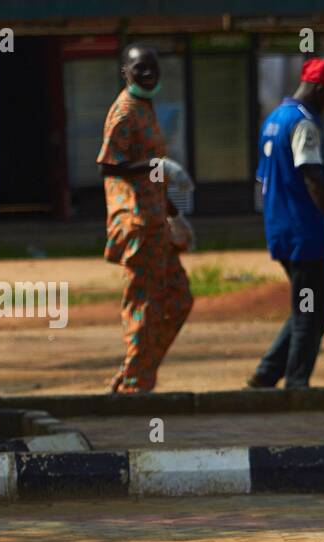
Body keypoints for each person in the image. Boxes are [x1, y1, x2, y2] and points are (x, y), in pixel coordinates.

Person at [249, 58, 324, 390]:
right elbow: (313, 179)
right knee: (312, 314)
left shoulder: (274, 119)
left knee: (304, 307)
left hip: (280, 230)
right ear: (320, 89)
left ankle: (266, 375)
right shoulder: (304, 123)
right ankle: (296, 387)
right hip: (304, 233)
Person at [97, 44, 193, 393]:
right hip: (136, 223)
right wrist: (157, 166)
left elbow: (151, 172)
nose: (148, 74)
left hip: (156, 222)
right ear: (126, 72)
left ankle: (135, 371)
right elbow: (108, 164)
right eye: (140, 68)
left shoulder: (146, 107)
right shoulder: (124, 111)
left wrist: (174, 215)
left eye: (153, 68)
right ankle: (136, 385)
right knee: (144, 304)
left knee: (179, 300)